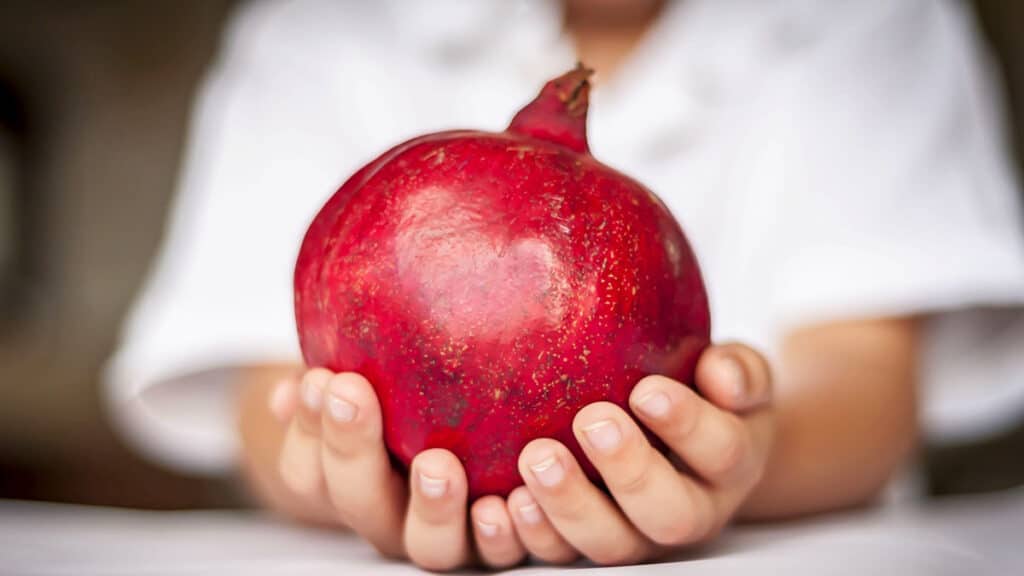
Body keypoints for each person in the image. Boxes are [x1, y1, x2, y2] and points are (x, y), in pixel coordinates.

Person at [106, 0, 1024, 570]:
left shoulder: (878, 21)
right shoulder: (318, 26)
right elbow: (265, 390)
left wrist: (741, 456)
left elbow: (871, 382)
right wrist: (334, 470)